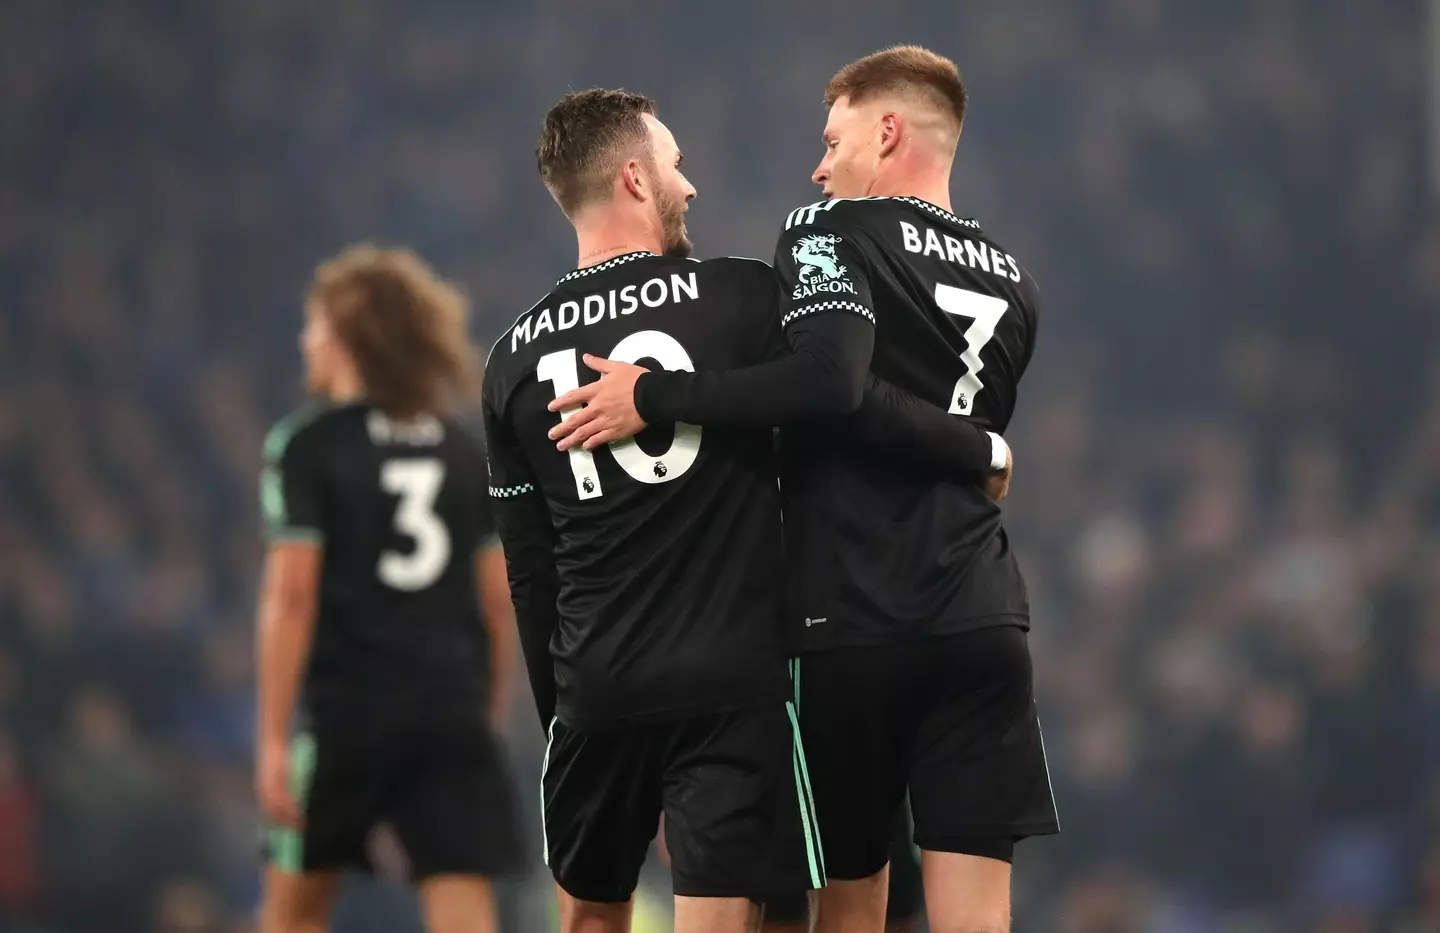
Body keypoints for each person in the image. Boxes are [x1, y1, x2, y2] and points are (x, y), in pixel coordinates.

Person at [549, 46, 1058, 933]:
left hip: (850, 621)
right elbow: (943, 431)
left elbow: (831, 386)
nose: (820, 165)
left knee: (850, 901)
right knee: (978, 916)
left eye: (834, 138)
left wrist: (657, 394)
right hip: (981, 617)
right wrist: (979, 443)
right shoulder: (1014, 281)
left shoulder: (828, 231)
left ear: (888, 130)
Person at [255, 246, 524, 933]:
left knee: (296, 908)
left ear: (347, 337)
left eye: (313, 325)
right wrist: (485, 711)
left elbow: (292, 597)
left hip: (348, 710)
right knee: (461, 897)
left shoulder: (307, 446)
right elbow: (498, 599)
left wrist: (272, 740)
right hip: (448, 708)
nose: (303, 340)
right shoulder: (461, 449)